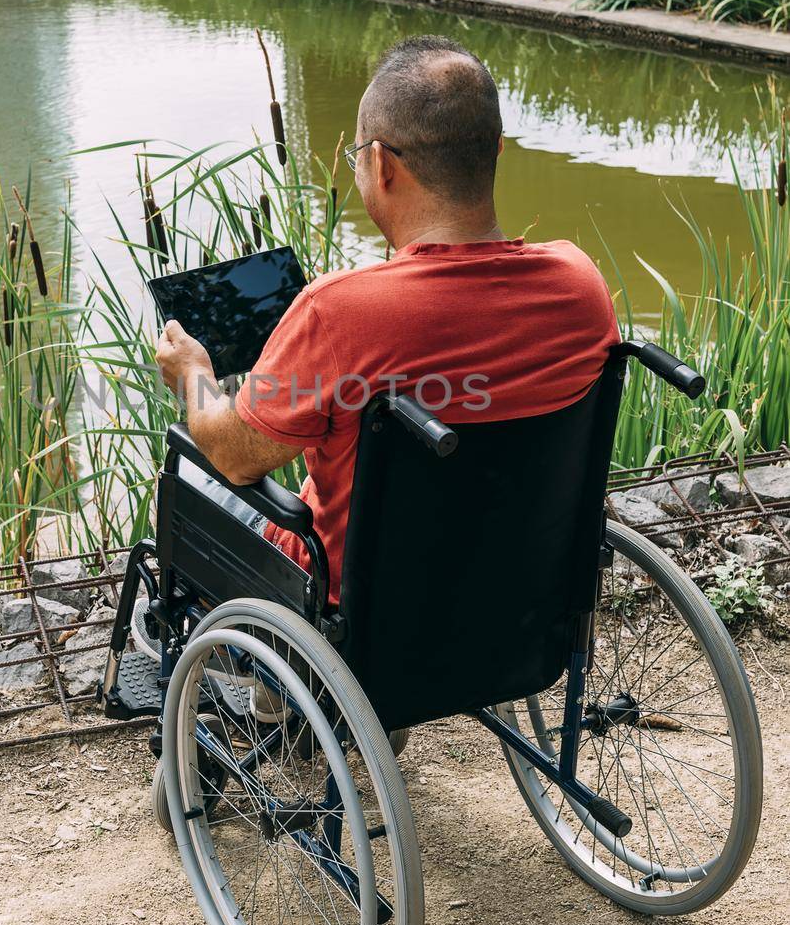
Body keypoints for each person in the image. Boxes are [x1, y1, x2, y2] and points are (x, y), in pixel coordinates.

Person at [154, 35, 619, 605]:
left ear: (381, 164)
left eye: (357, 157)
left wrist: (195, 375)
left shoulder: (337, 311)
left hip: (359, 624)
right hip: (518, 603)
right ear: (495, 150)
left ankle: (258, 686)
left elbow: (233, 455)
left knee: (194, 475)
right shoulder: (580, 284)